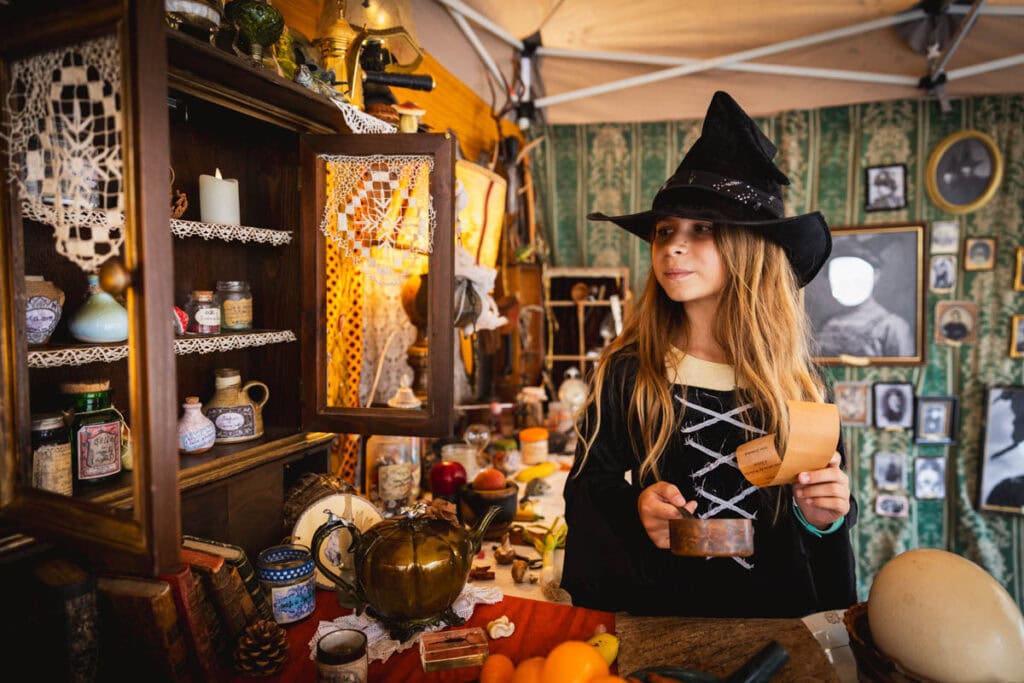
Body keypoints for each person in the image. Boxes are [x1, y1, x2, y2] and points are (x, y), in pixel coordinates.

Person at [563, 91, 857, 618]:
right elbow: (590, 487)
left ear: (750, 247)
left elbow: (825, 514)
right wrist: (638, 508)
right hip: (666, 611)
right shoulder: (629, 372)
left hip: (778, 617)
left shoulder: (802, 384)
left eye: (702, 229)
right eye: (664, 231)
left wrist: (825, 515)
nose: (673, 246)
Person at [814, 242, 914, 358]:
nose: (847, 282)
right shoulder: (828, 324)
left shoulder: (892, 327)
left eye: (855, 275)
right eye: (839, 276)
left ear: (875, 275)